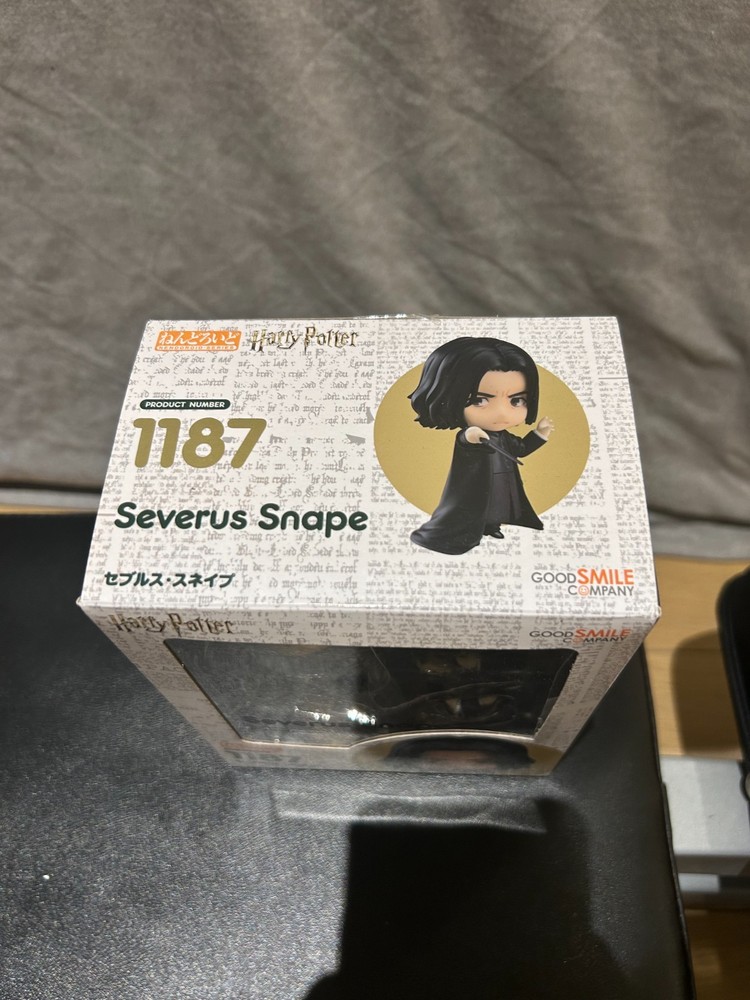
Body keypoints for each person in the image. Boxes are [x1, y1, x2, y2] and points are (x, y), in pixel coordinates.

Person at [409, 336, 554, 554]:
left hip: (504, 478)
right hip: (478, 484)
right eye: (479, 400)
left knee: (501, 504)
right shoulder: (471, 434)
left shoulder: (504, 436)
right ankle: (475, 530)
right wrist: (471, 435)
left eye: (516, 401)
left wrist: (539, 434)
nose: (502, 413)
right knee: (479, 505)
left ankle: (492, 526)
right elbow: (465, 441)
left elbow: (521, 448)